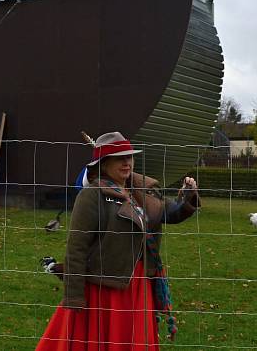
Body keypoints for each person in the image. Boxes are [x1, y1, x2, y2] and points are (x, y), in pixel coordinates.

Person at [36, 131, 200, 351]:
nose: (126, 162)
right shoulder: (92, 195)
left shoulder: (143, 189)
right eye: (118, 157)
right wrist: (74, 296)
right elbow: (77, 247)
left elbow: (171, 214)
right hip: (105, 290)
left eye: (129, 156)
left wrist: (188, 197)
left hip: (139, 284)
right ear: (104, 164)